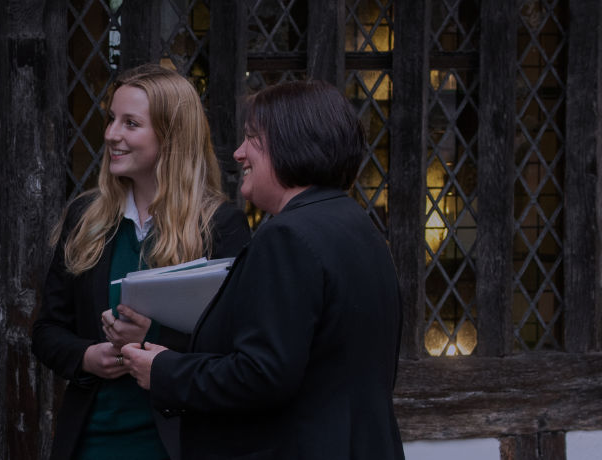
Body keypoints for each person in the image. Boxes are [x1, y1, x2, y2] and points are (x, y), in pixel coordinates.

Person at [122, 81, 405, 459]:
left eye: (252, 138)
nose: (239, 153)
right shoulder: (356, 226)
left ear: (292, 142)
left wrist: (164, 371)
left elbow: (263, 375)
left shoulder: (287, 237)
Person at [30, 63, 250, 460]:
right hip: (92, 443)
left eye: (130, 123)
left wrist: (150, 340)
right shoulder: (86, 218)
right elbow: (47, 331)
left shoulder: (219, 226)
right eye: (111, 119)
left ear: (171, 136)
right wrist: (87, 357)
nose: (111, 134)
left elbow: (233, 350)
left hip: (177, 443)